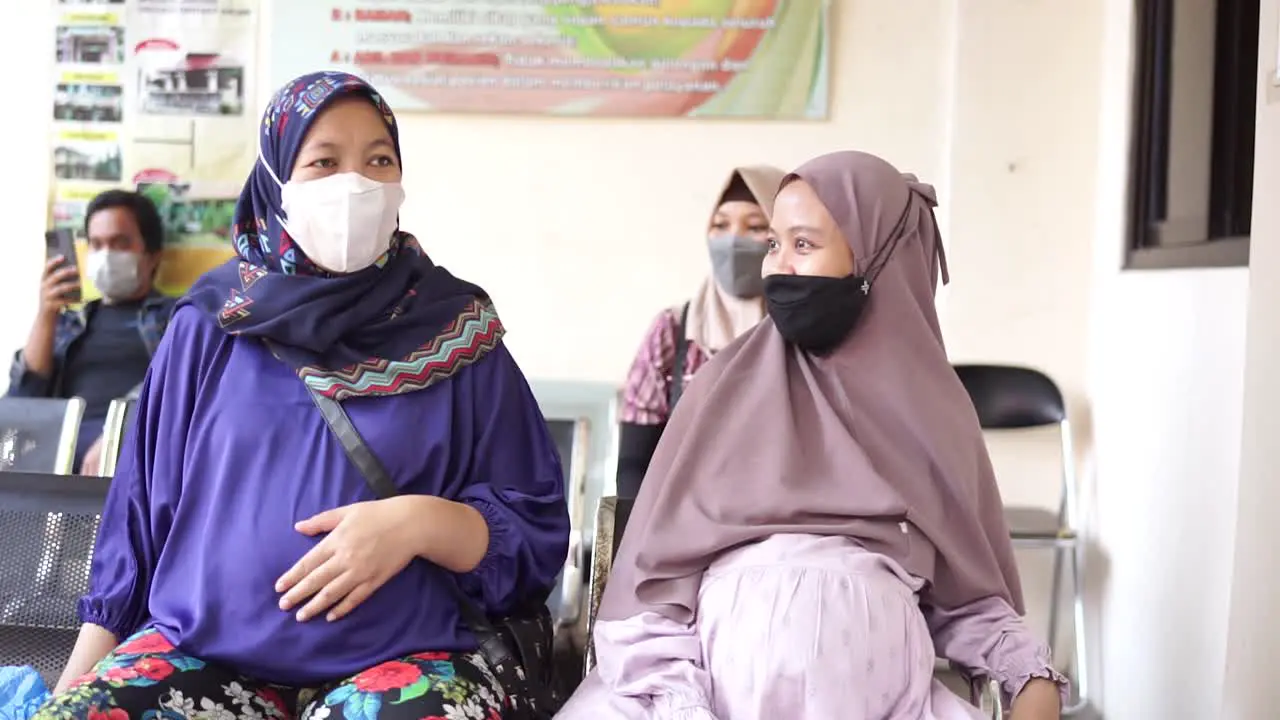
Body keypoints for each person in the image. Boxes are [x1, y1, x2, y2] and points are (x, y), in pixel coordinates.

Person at [36, 71, 570, 719]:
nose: (356, 184)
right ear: (276, 178)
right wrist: (75, 689)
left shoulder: (457, 330)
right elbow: (140, 520)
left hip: (410, 660)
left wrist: (419, 523)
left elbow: (533, 534)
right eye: (324, 161)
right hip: (207, 656)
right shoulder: (209, 323)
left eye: (379, 160)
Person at [559, 152, 1068, 719]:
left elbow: (970, 603)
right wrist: (681, 707)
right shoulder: (721, 390)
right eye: (775, 244)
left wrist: (1030, 676)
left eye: (804, 245)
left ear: (878, 255)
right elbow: (650, 598)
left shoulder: (935, 415)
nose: (777, 266)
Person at [615, 166, 784, 499]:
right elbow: (634, 464)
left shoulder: (804, 334)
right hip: (682, 523)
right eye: (720, 226)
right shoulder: (675, 330)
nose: (733, 240)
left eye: (755, 226)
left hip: (781, 529)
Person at [8, 190, 175, 474]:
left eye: (120, 243)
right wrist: (47, 313)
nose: (106, 254)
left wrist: (118, 435)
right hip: (57, 461)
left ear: (152, 256)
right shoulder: (70, 323)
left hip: (137, 462)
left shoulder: (178, 318)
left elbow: (180, 386)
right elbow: (22, 401)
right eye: (96, 244)